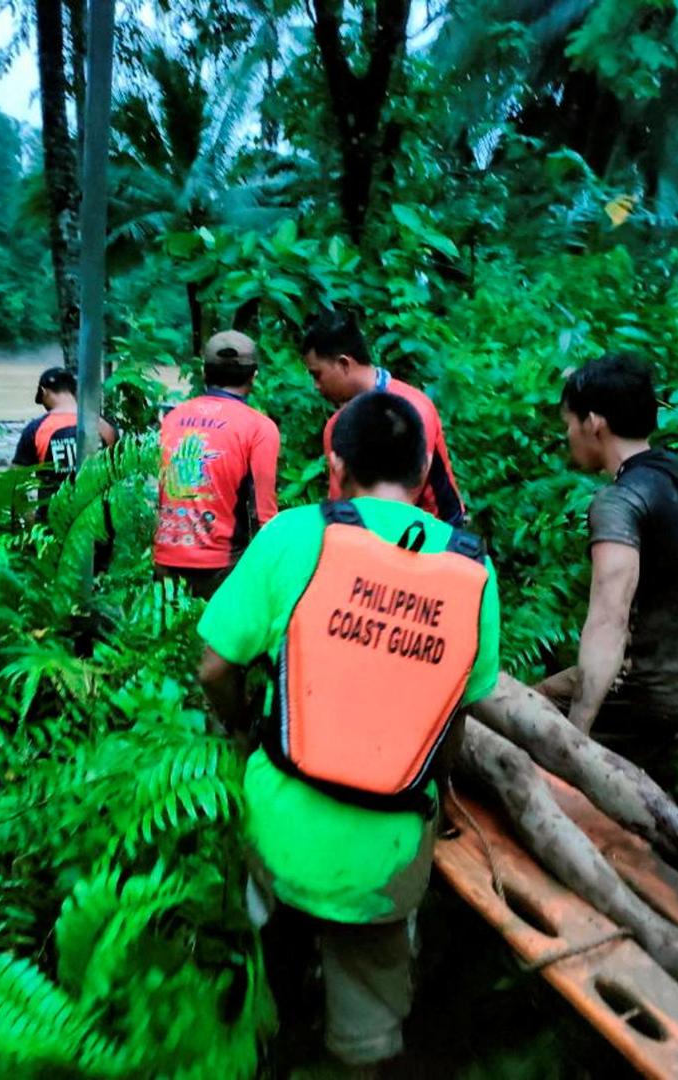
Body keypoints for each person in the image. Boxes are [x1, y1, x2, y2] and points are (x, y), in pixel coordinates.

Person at [197, 392, 500, 1074]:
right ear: (427, 470)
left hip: (280, 831)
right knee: (370, 1028)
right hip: (386, 855)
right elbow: (455, 713)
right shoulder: (474, 572)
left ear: (336, 464)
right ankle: (358, 1052)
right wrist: (439, 788)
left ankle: (279, 1032)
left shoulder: (292, 536)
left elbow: (216, 665)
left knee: (272, 954)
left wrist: (242, 724)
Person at [540, 354, 678, 780]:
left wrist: (576, 736)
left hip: (652, 691)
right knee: (540, 697)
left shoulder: (619, 503)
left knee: (524, 724)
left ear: (595, 423)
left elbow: (608, 620)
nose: (567, 434)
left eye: (569, 424)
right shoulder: (674, 471)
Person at [302, 309, 465, 526]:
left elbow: (404, 497)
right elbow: (340, 503)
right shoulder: (336, 426)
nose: (316, 385)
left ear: (344, 363)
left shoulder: (413, 410)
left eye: (317, 374)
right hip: (370, 536)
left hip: (433, 532)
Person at [154, 331, 280, 599]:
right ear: (253, 376)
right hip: (221, 568)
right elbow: (264, 513)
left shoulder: (172, 418)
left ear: (203, 371)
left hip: (165, 560)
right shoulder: (259, 428)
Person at [13, 366, 117, 510]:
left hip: (52, 520)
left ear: (44, 392)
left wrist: (27, 520)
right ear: (74, 392)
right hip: (96, 522)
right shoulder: (104, 427)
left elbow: (15, 481)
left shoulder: (36, 429)